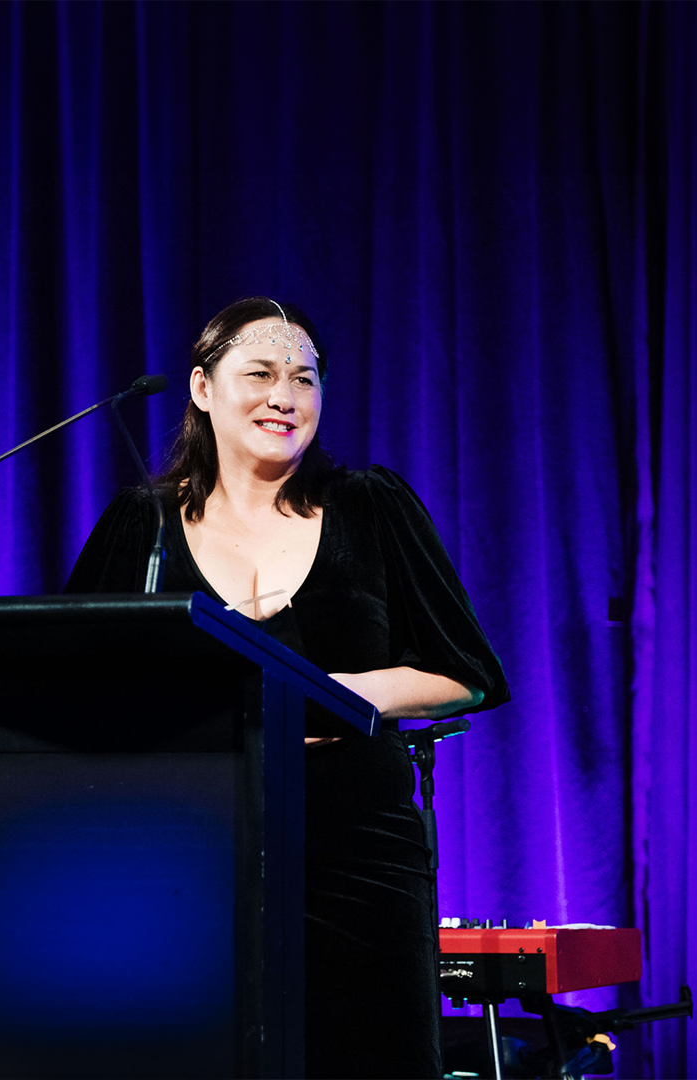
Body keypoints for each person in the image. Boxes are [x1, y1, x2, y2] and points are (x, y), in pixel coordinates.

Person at [65, 296, 509, 1078]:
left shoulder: (372, 506)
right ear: (202, 387)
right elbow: (74, 681)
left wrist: (333, 691)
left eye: (304, 378)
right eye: (261, 373)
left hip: (358, 855)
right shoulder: (142, 525)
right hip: (189, 852)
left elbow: (463, 671)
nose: (285, 396)